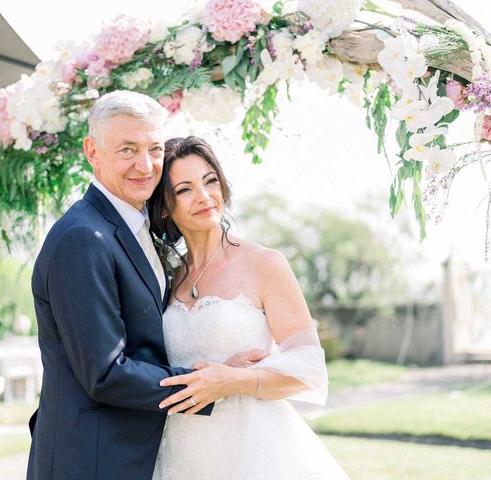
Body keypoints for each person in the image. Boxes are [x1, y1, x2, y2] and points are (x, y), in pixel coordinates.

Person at [26, 92, 256, 480]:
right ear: (92, 151)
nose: (145, 165)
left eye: (153, 149)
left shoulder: (134, 227)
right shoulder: (83, 238)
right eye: (127, 149)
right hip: (90, 461)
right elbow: (105, 372)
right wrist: (207, 384)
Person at [148, 136, 350, 479]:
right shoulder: (165, 277)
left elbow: (309, 369)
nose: (203, 196)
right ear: (164, 206)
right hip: (182, 451)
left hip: (253, 450)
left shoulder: (264, 264)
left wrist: (233, 380)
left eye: (210, 181)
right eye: (184, 189)